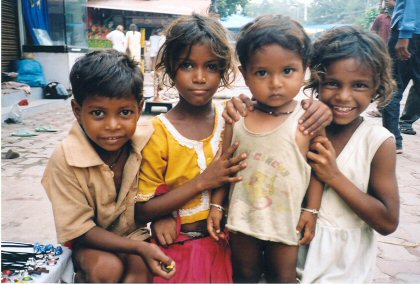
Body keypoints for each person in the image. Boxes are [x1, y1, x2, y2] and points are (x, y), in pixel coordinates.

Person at [208, 15, 324, 283]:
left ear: (304, 70)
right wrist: (217, 204)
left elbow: (319, 171)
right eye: (262, 72)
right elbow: (224, 165)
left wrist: (311, 211)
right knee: (244, 274)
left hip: (287, 220)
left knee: (282, 277)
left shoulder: (307, 119)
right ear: (245, 73)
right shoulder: (237, 118)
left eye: (287, 71)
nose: (275, 83)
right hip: (241, 219)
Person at [42, 50, 175, 282]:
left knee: (142, 269)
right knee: (106, 268)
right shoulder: (65, 158)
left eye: (125, 112)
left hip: (133, 234)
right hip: (87, 241)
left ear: (140, 108)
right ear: (77, 111)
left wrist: (165, 216)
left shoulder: (148, 143)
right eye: (98, 113)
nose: (112, 126)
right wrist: (141, 248)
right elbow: (79, 230)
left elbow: (165, 185)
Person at [134, 14, 248, 283]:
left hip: (229, 247)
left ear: (223, 71)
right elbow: (141, 211)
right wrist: (202, 182)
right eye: (187, 65)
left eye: (210, 66)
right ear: (171, 68)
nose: (199, 77)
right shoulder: (158, 133)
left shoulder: (232, 122)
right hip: (177, 249)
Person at [298, 26, 400, 283]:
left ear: (376, 87)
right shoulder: (300, 126)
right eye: (333, 83)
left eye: (359, 86)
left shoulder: (377, 142)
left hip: (345, 271)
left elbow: (387, 222)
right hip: (290, 262)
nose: (344, 96)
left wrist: (333, 176)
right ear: (317, 78)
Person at [382, 0, 420, 152]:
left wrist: (404, 34)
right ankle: (396, 134)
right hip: (411, 32)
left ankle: (392, 140)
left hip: (409, 34)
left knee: (393, 86)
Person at [368, 0, 396, 118]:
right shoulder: (382, 18)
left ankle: (382, 108)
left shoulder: (391, 19)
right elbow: (372, 35)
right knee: (383, 80)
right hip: (382, 54)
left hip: (390, 55)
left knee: (387, 82)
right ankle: (381, 107)